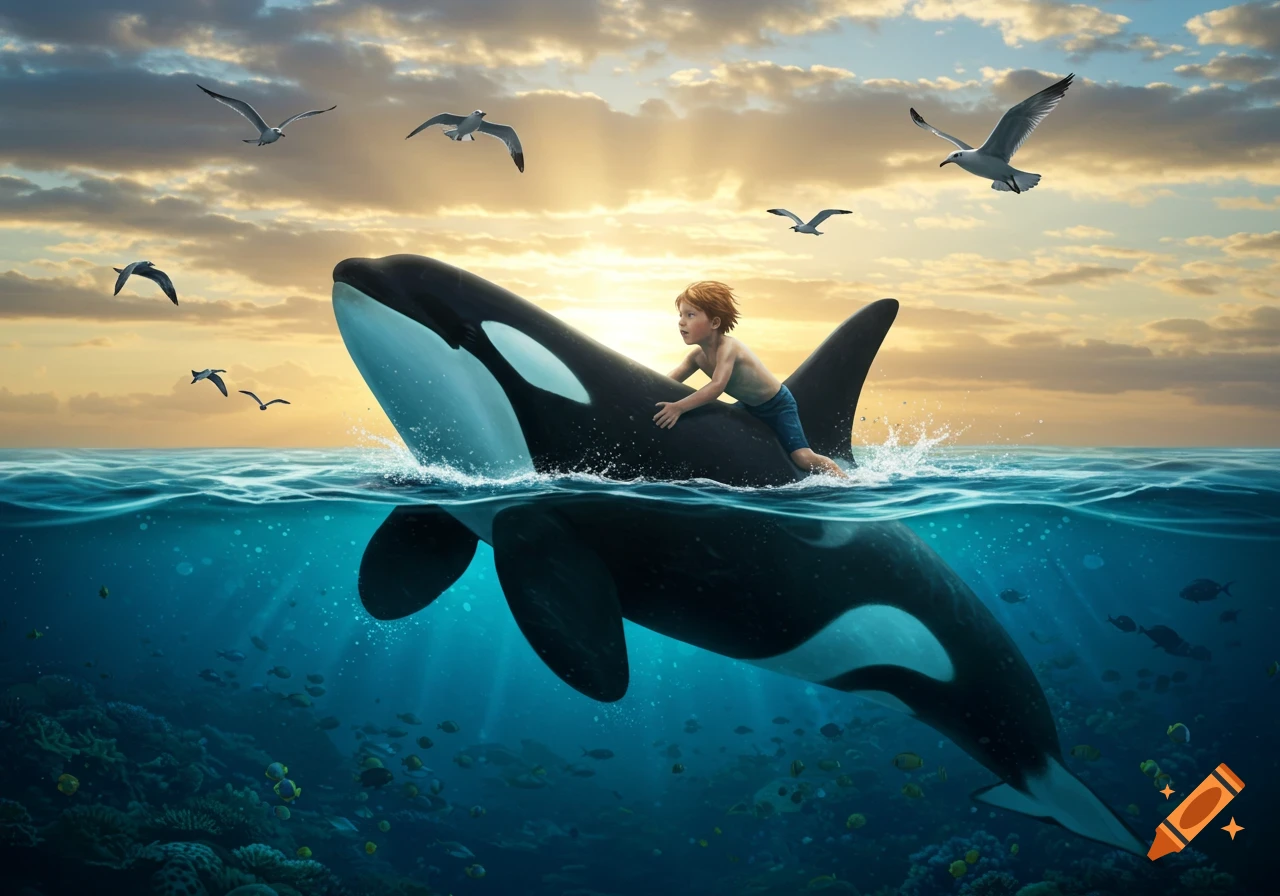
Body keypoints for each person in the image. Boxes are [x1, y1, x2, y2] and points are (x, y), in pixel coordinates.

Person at [654, 280, 848, 479]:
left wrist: (679, 407)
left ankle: (842, 477)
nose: (681, 321)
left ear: (715, 323)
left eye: (690, 315)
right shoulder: (696, 357)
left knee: (802, 457)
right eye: (681, 315)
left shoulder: (728, 348)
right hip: (748, 406)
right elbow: (668, 381)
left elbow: (717, 386)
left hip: (777, 406)